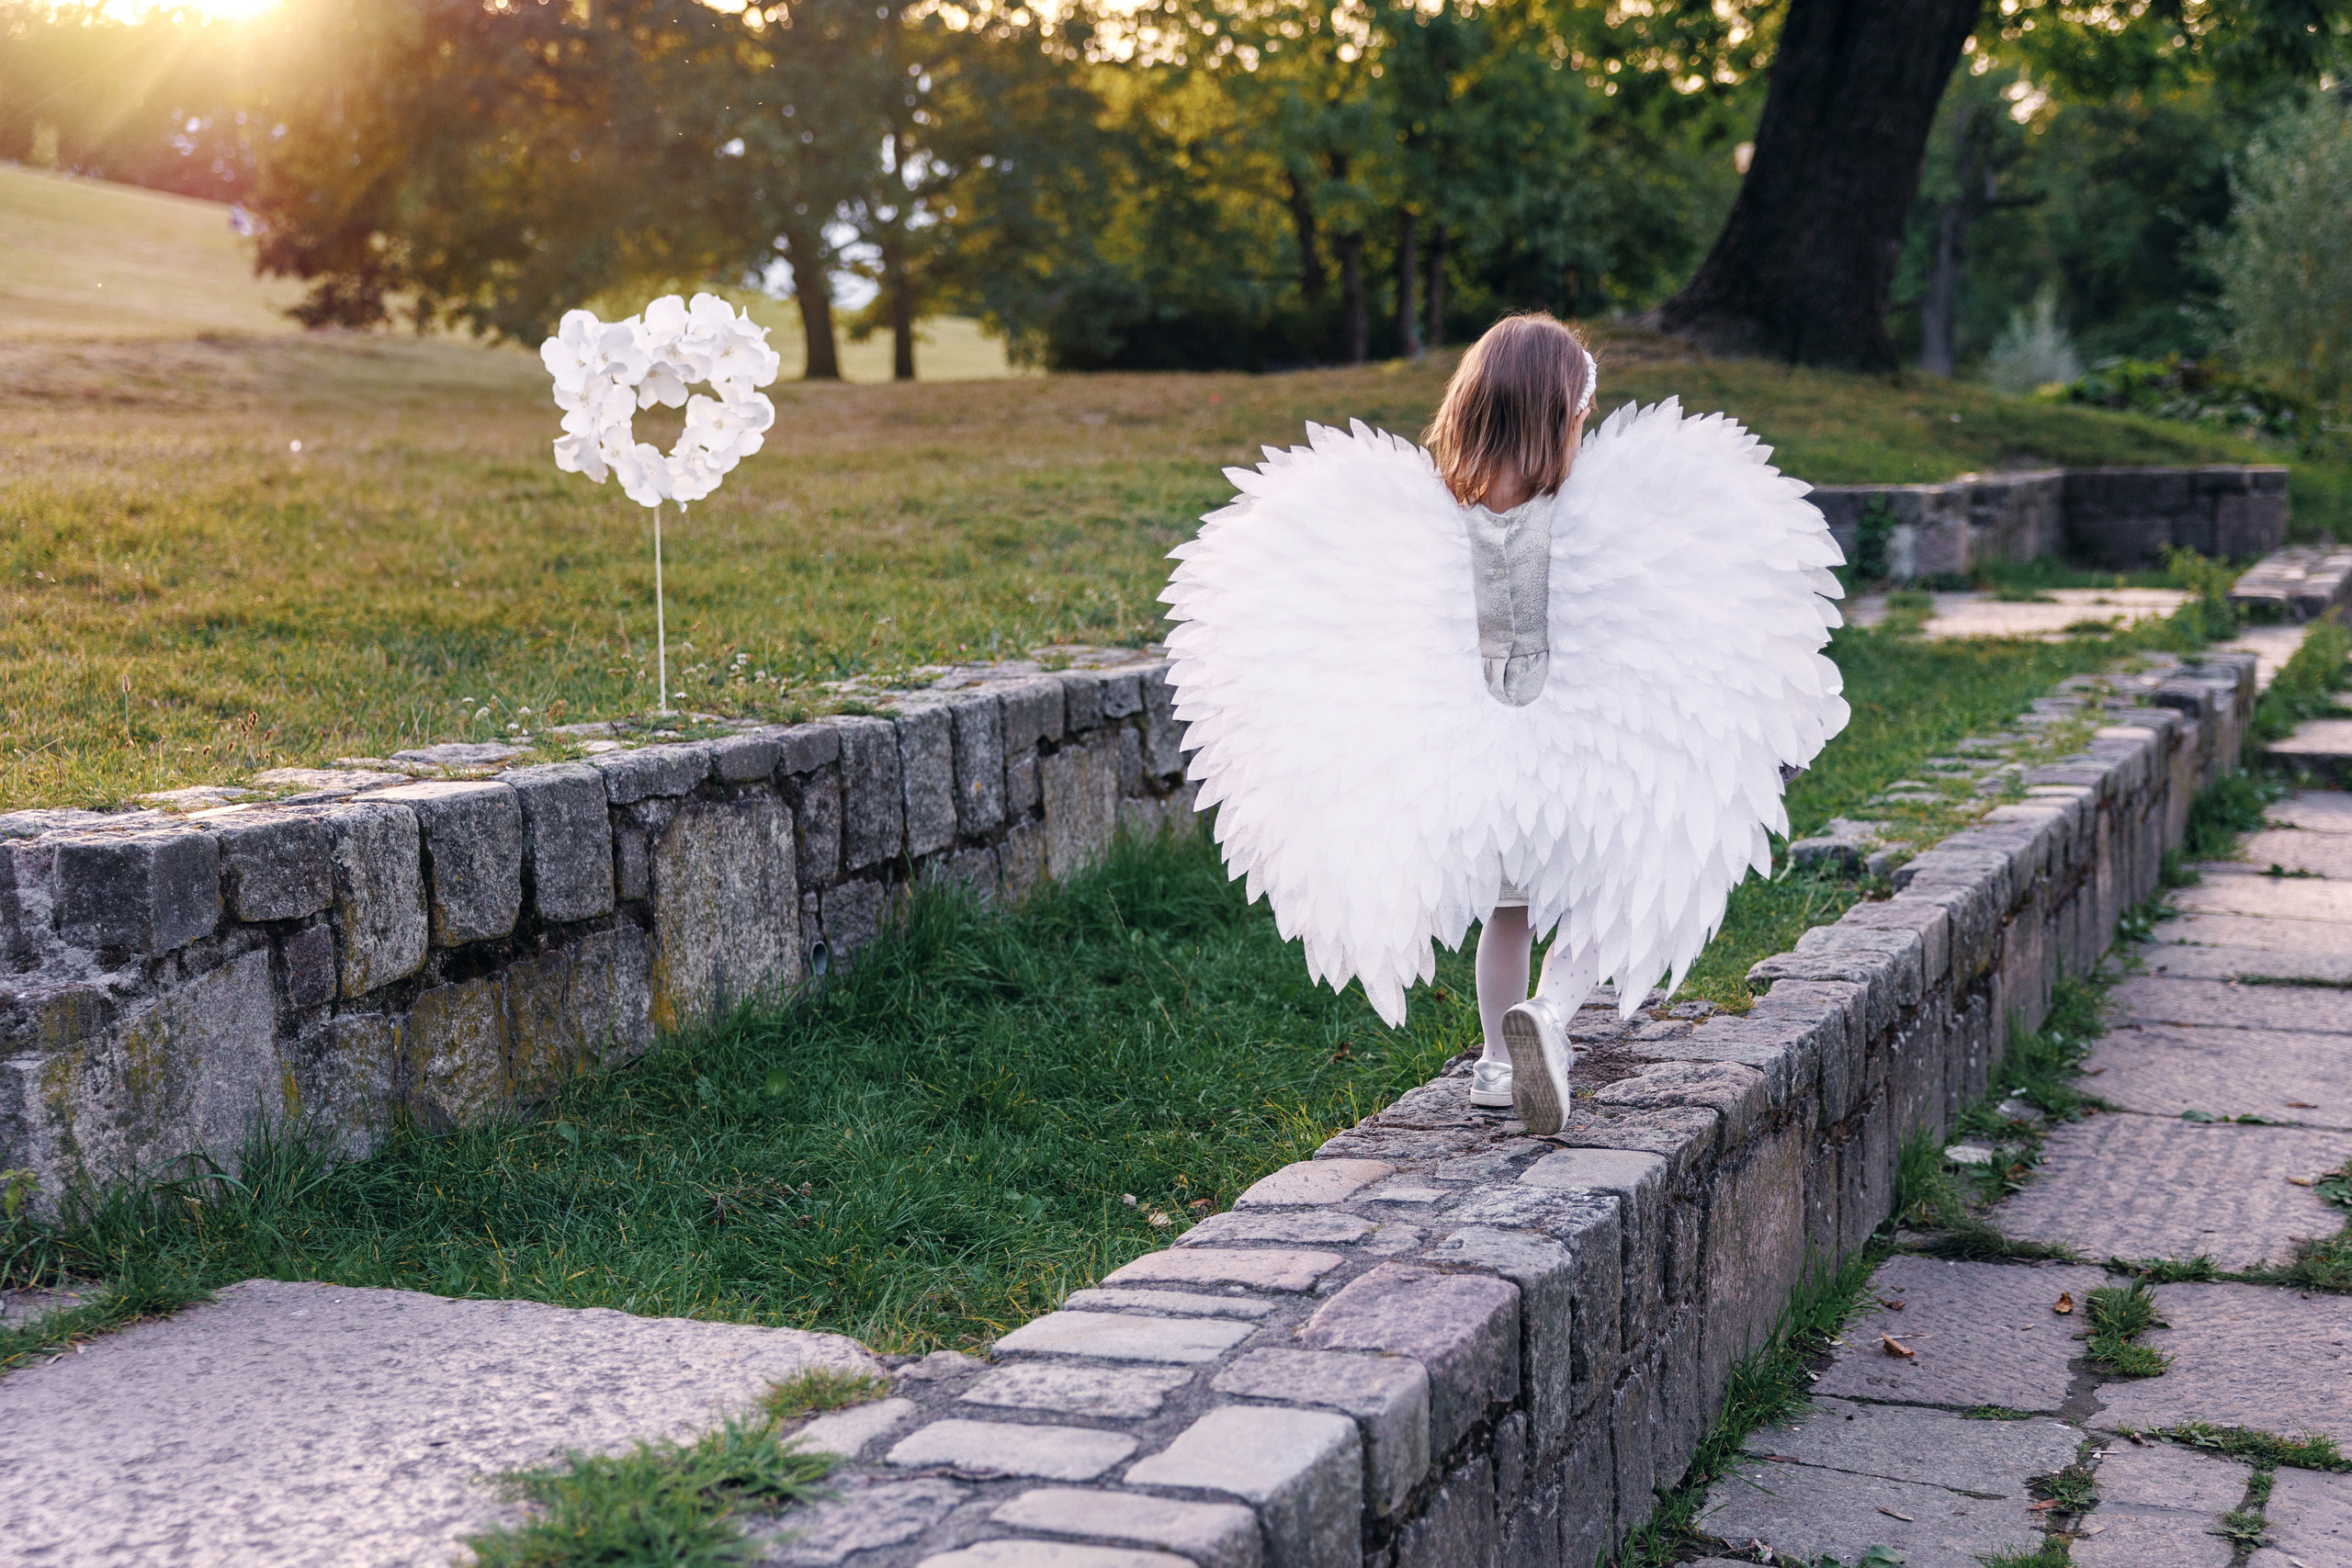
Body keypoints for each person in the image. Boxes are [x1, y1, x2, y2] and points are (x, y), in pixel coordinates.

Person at [1162, 312, 1849, 1134]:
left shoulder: (1444, 517)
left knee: (1509, 910)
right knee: (1624, 876)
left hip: (1477, 752)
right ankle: (1551, 1013)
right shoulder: (1584, 514)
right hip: (1580, 743)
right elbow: (1661, 599)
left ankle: (1496, 1061)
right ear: (1563, 417)